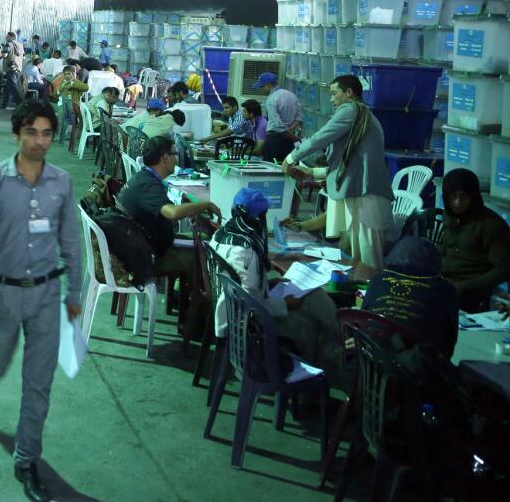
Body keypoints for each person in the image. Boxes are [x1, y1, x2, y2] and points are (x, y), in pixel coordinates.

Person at [0, 100, 81, 502]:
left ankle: (26, 461)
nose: (39, 141)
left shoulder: (61, 183)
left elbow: (71, 242)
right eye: (31, 132)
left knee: (38, 386)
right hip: (2, 296)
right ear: (17, 134)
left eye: (46, 133)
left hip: (47, 295)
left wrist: (75, 294)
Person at [209, 188, 344, 388]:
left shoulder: (222, 233)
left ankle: (336, 355)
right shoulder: (246, 250)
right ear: (259, 217)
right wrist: (286, 304)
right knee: (309, 324)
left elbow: (241, 282)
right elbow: (254, 305)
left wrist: (267, 283)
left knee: (314, 302)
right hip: (249, 327)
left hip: (231, 312)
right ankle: (317, 384)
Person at [283, 73, 392, 279]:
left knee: (368, 261)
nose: (331, 100)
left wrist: (290, 158)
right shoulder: (362, 116)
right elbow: (350, 162)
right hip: (362, 192)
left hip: (367, 195)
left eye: (334, 94)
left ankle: (372, 306)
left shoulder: (351, 110)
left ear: (349, 93)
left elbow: (319, 139)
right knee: (355, 254)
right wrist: (312, 172)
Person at [119, 135, 221, 283]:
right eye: (175, 154)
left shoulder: (143, 177)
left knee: (203, 241)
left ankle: (183, 300)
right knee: (207, 255)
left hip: (141, 246)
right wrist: (206, 204)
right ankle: (191, 304)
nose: (177, 159)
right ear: (165, 158)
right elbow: (172, 213)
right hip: (148, 256)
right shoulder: (149, 185)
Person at [364, 237, 459, 358]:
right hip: (417, 370)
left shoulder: (377, 280)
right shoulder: (446, 290)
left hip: (368, 364)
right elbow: (448, 344)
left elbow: (364, 321)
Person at [438, 168, 510, 311]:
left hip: (470, 293)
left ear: (473, 197)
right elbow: (446, 247)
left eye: (463, 197)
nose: (457, 202)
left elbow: (505, 268)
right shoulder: (450, 215)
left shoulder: (490, 224)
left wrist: (464, 287)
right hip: (444, 284)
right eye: (453, 196)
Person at [254, 72, 301, 163]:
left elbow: (277, 124)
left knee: (270, 171)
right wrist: (290, 131)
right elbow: (299, 118)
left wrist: (290, 134)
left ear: (268, 85)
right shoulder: (292, 95)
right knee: (289, 169)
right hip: (289, 142)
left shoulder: (271, 99)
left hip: (275, 141)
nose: (261, 89)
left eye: (262, 87)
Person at [0, 30, 24, 110]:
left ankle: (20, 103)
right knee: (8, 87)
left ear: (10, 37)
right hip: (18, 68)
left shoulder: (8, 44)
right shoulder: (20, 45)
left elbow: (4, 54)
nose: (6, 38)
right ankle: (4, 104)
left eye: (7, 36)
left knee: (12, 86)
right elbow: (22, 56)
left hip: (10, 68)